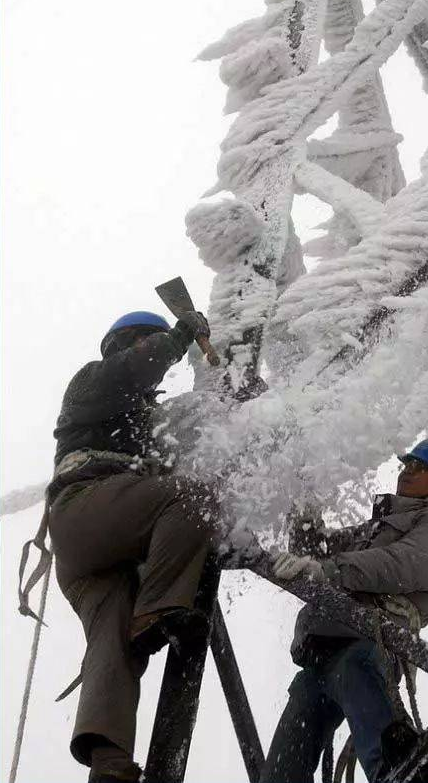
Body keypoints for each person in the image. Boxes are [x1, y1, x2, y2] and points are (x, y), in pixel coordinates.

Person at [46, 309, 218, 783]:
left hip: (94, 550)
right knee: (193, 495)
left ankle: (110, 766)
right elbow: (135, 367)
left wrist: (236, 395)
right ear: (124, 344)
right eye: (147, 344)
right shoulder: (92, 383)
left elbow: (204, 418)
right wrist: (180, 336)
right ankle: (160, 610)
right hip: (87, 507)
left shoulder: (152, 421)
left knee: (114, 648)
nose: (154, 355)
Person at [262, 433, 428, 783]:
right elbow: (317, 554)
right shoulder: (379, 527)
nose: (407, 470)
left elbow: (395, 565)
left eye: (421, 466)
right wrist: (301, 495)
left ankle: (403, 771)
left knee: (358, 675)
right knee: (286, 761)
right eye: (407, 463)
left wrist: (325, 570)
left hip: (365, 647)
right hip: (321, 657)